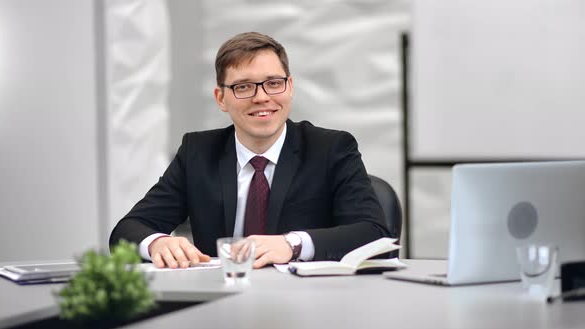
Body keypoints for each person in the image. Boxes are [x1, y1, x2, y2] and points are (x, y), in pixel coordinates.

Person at [110, 31, 395, 269]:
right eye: (244, 87)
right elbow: (128, 230)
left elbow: (375, 235)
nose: (262, 97)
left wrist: (292, 244)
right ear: (221, 98)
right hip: (220, 304)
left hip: (309, 306)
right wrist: (158, 243)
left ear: (290, 87)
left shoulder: (331, 148)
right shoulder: (198, 152)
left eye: (273, 83)